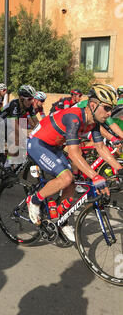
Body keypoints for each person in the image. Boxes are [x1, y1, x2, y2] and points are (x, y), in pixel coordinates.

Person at [27, 84, 123, 242]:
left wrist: (119, 168)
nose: (109, 113)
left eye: (111, 109)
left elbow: (100, 147)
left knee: (71, 183)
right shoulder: (74, 117)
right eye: (106, 108)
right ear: (93, 105)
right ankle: (35, 200)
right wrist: (95, 177)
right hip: (38, 143)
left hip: (55, 146)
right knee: (66, 178)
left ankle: (61, 220)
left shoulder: (94, 122)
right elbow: (73, 152)